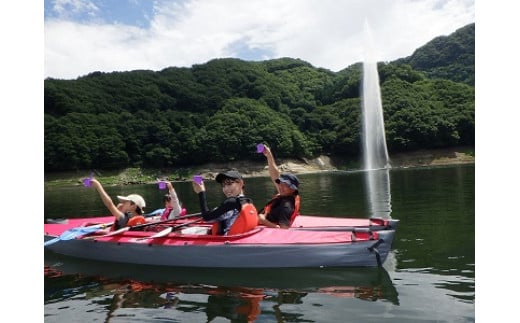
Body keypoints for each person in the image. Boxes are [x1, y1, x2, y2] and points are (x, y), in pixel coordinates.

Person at [192, 170, 258, 235]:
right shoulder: (248, 201)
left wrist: (201, 193)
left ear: (240, 183)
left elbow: (207, 218)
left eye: (229, 184)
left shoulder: (231, 202)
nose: (226, 189)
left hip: (228, 242)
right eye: (223, 185)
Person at [257, 145, 301, 228]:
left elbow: (283, 229)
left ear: (292, 188)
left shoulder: (287, 206)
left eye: (285, 185)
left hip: (263, 224)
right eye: (280, 184)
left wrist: (264, 221)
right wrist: (269, 155)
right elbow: (275, 175)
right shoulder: (285, 194)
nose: (280, 187)